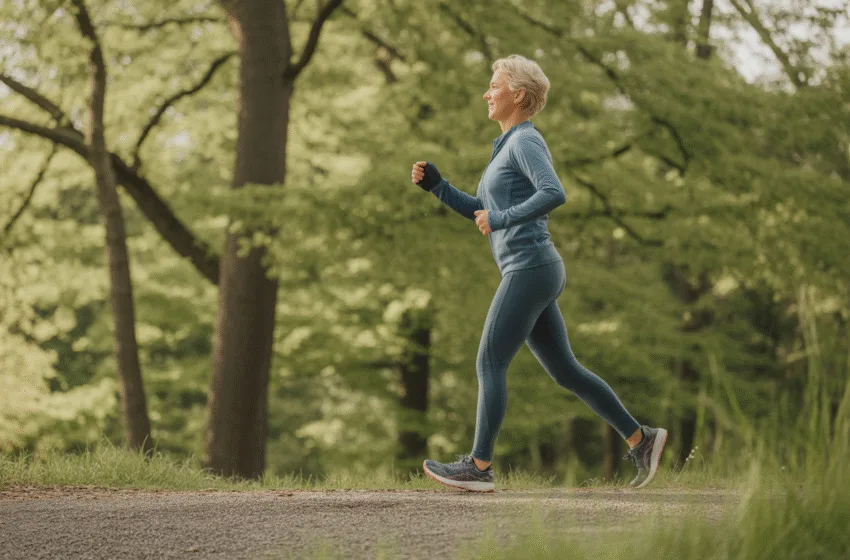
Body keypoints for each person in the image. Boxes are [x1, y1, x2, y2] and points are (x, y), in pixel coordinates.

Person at [410, 55, 668, 493]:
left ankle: (479, 466)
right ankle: (642, 440)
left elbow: (553, 193)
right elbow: (483, 211)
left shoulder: (525, 141)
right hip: (535, 268)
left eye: (495, 85)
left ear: (519, 96)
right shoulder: (506, 145)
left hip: (530, 267)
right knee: (566, 371)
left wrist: (503, 217)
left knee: (490, 360)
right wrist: (438, 186)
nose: (486, 92)